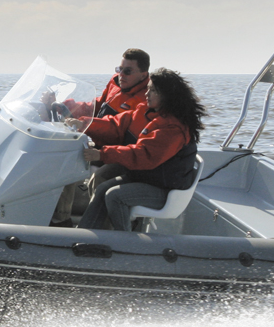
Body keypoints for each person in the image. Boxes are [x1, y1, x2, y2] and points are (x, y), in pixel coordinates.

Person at [72, 68, 206, 231]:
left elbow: (144, 155)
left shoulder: (173, 128)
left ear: (167, 95)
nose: (147, 94)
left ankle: (124, 241)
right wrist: (84, 124)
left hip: (164, 189)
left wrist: (102, 154)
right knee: (102, 188)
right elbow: (116, 125)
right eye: (148, 89)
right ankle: (84, 235)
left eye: (153, 90)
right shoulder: (146, 112)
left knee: (115, 196)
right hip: (147, 177)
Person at [47, 48, 151, 226]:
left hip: (120, 151)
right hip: (100, 144)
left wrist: (84, 124)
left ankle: (102, 228)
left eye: (127, 71)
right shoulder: (116, 83)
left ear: (143, 75)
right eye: (119, 69)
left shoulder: (145, 99)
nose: (121, 75)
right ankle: (61, 220)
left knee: (100, 178)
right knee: (64, 159)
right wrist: (65, 106)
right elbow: (97, 107)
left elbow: (116, 129)